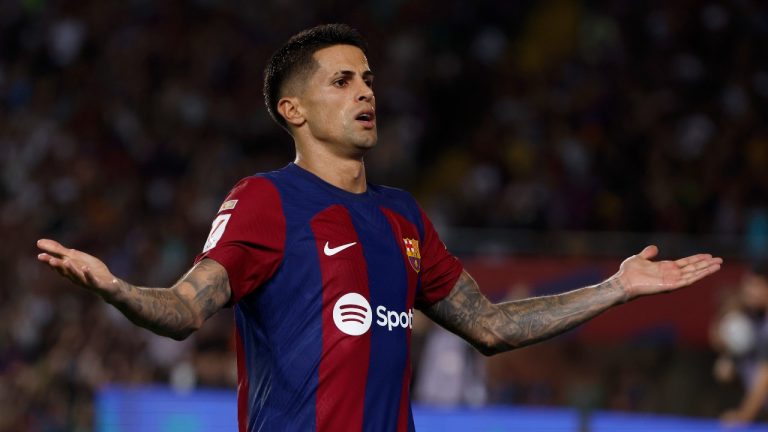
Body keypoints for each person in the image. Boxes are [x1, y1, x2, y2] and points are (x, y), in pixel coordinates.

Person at [36, 23, 723, 432]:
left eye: (367, 78)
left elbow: (488, 325)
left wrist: (616, 287)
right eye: (341, 81)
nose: (366, 91)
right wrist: (118, 288)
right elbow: (187, 308)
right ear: (293, 109)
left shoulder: (403, 213)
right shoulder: (265, 200)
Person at [714, 264, 768, 426]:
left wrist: (744, 416)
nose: (750, 291)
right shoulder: (751, 318)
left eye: (756, 285)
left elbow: (766, 375)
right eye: (748, 284)